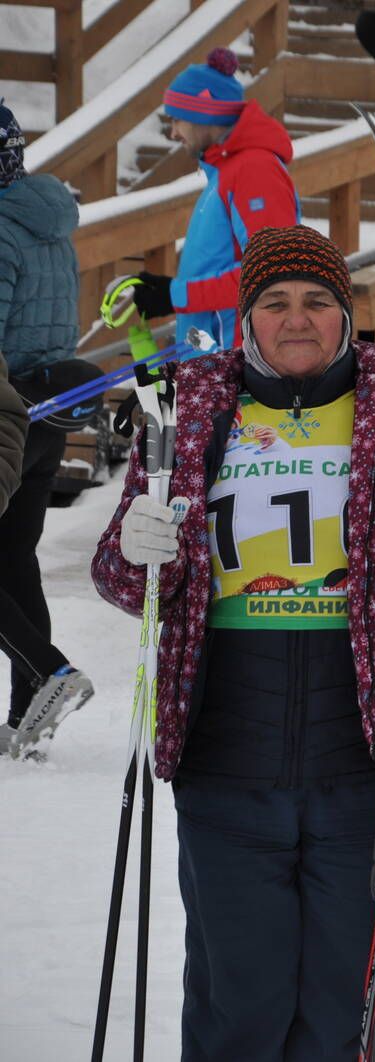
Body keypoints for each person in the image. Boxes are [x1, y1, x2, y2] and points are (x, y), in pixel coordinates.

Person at [91, 225, 375, 1059]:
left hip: (363, 765)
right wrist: (138, 546)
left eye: (318, 301)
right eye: (274, 302)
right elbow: (122, 576)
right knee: (237, 1011)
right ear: (246, 318)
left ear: (347, 315)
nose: (297, 319)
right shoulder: (192, 412)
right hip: (226, 765)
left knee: (337, 1015)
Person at [0, 100, 95, 756]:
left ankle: (47, 670)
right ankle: (27, 705)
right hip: (47, 413)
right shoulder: (51, 223)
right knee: (13, 561)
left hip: (4, 414)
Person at [131, 49, 299, 348]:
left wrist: (175, 295)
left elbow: (272, 272)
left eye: (177, 120)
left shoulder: (254, 170)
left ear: (203, 115)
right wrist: (170, 289)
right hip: (215, 361)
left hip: (237, 363)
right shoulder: (226, 171)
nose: (172, 133)